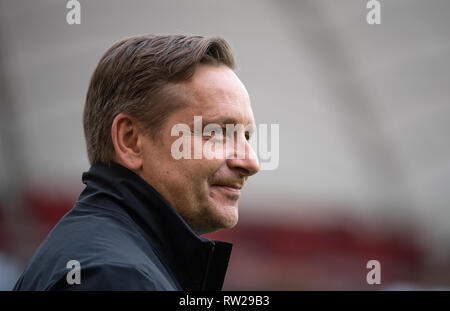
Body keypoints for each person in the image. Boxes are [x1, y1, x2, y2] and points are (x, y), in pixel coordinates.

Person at [13, 34, 260, 290]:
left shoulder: (108, 263)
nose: (251, 162)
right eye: (217, 133)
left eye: (246, 136)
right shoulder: (114, 277)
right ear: (130, 141)